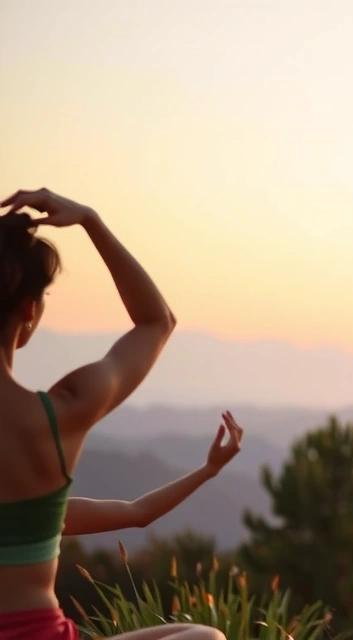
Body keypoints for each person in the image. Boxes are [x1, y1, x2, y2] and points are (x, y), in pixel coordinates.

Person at [0, 188, 223, 640]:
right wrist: (89, 220)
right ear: (29, 307)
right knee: (205, 637)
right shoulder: (61, 413)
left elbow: (137, 512)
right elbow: (156, 321)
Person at [63, 412, 243, 537]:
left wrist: (209, 469)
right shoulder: (45, 514)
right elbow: (139, 513)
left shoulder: (46, 513)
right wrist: (209, 470)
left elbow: (140, 512)